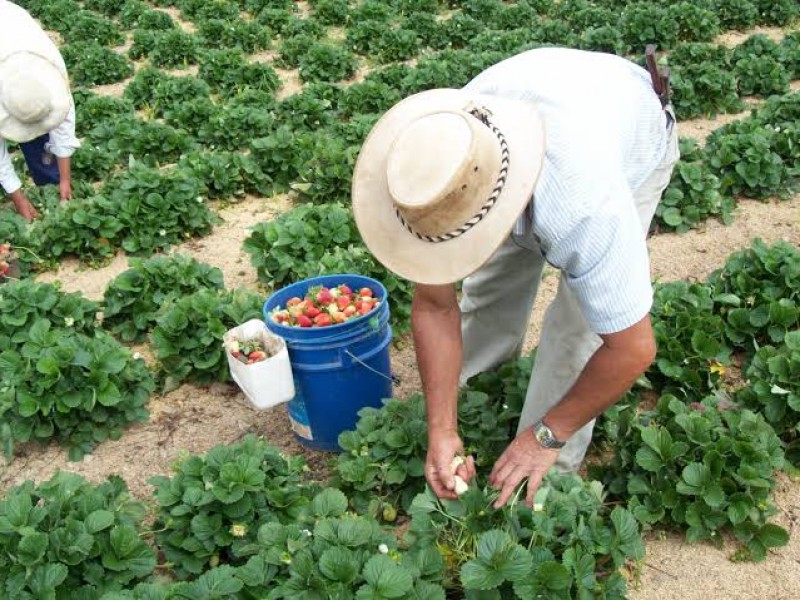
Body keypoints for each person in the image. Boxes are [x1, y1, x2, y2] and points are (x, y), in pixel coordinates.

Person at [351, 47, 679, 509]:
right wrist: (441, 427)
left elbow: (632, 350)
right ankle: (481, 407)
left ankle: (541, 480)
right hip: (539, 113)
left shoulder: (586, 207)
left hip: (632, 128)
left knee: (576, 331)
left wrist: (546, 436)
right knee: (489, 290)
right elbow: (435, 305)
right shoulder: (443, 159)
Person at [0, 0, 79, 221]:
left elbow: (64, 124)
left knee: (37, 130)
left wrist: (64, 179)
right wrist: (18, 198)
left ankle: (50, 185)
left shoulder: (51, 69)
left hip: (14, 25)